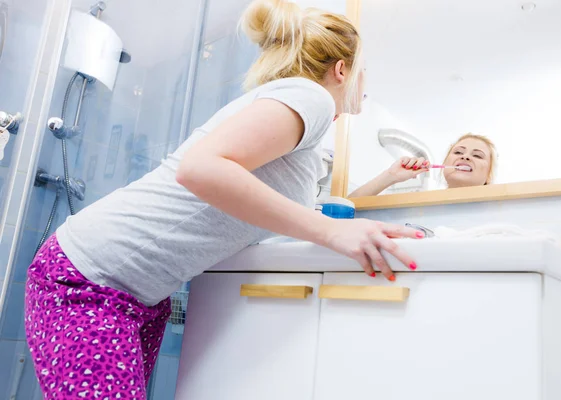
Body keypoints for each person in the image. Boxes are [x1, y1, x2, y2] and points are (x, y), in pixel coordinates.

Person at [24, 1, 424, 398]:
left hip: (131, 291)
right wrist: (332, 232)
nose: (365, 80)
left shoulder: (295, 111)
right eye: (363, 69)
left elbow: (251, 199)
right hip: (86, 280)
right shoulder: (311, 97)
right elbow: (199, 169)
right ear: (342, 70)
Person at [349, 133, 497, 197]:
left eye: (477, 155)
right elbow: (348, 207)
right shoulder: (421, 202)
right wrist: (390, 176)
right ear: (445, 164)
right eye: (458, 152)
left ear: (488, 176)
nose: (465, 156)